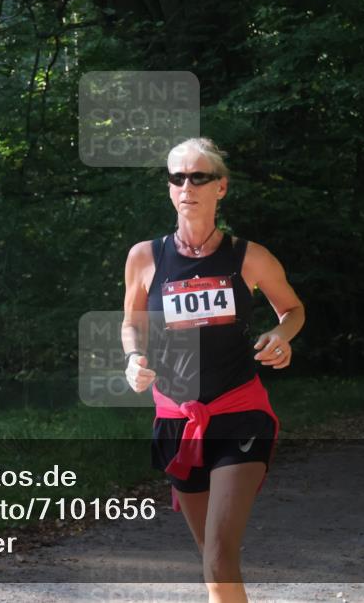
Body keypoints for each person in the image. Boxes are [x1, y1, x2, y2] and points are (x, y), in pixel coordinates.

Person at [121, 138, 304, 603]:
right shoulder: (145, 257)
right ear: (169, 189)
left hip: (239, 412)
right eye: (177, 177)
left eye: (199, 177)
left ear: (220, 187)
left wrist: (282, 336)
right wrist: (132, 360)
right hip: (176, 420)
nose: (187, 186)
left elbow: (293, 310)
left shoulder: (249, 256)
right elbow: (131, 325)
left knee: (219, 557)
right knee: (213, 565)